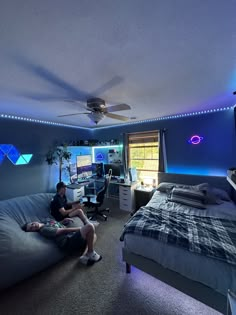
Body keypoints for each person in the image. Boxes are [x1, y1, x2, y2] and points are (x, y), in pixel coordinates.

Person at [22, 217, 102, 266]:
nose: (33, 226)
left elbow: (56, 224)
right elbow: (62, 231)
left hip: (72, 236)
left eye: (32, 224)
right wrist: (80, 228)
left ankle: (84, 256)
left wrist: (63, 221)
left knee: (93, 235)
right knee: (90, 226)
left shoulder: (44, 221)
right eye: (31, 229)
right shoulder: (44, 230)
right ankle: (90, 252)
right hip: (67, 242)